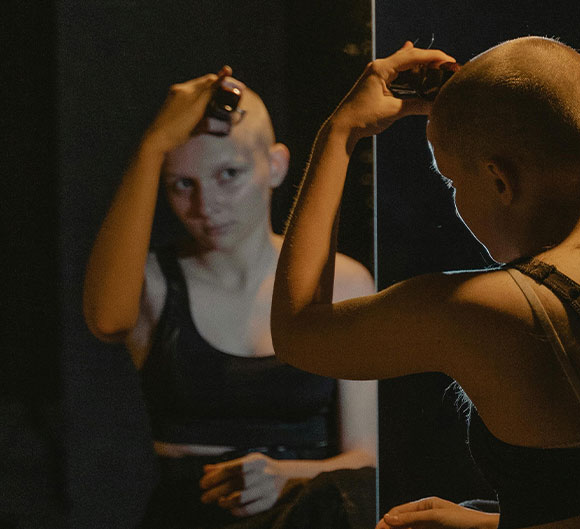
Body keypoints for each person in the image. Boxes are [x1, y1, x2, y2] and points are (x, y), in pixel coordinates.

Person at [270, 37, 580, 529]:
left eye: (453, 181)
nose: (456, 201)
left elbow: (297, 331)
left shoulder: (477, 309)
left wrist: (341, 131)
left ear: (500, 180)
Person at [83, 67, 376, 529]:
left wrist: (286, 476)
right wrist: (153, 145)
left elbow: (366, 458)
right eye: (183, 184)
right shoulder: (153, 283)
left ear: (275, 166)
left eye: (229, 174)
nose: (206, 206)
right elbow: (105, 320)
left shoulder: (343, 282)